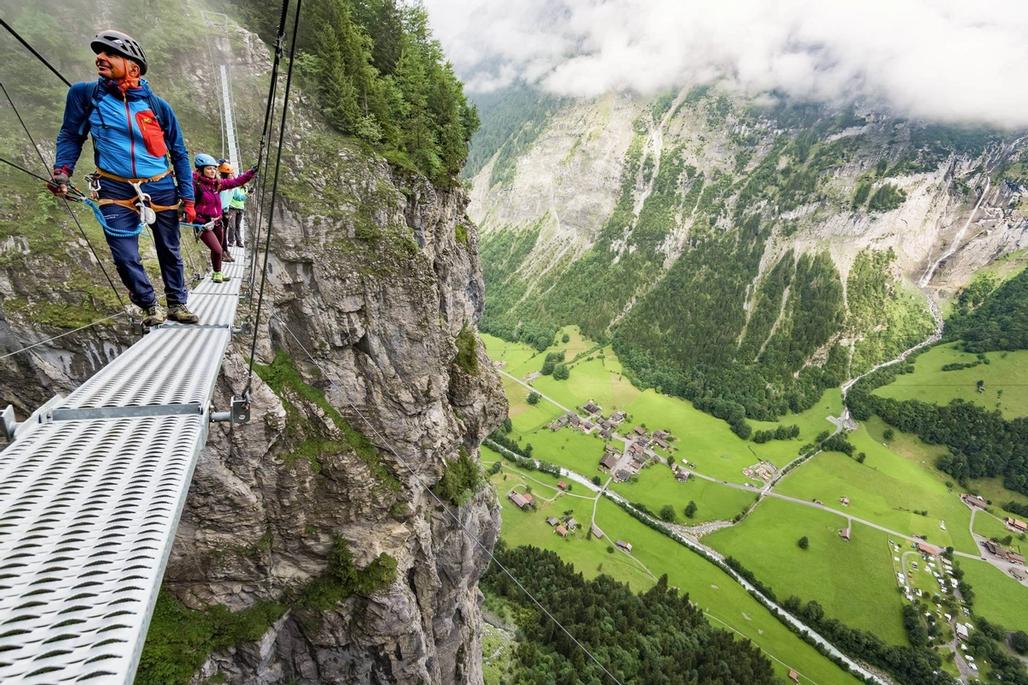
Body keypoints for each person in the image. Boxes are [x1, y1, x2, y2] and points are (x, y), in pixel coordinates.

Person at [50, 30, 198, 326]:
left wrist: (189, 197)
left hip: (161, 184)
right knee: (124, 254)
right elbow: (70, 135)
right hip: (113, 185)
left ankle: (177, 304)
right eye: (100, 53)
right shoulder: (85, 95)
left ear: (133, 65)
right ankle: (148, 305)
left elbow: (179, 153)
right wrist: (62, 171)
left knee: (169, 248)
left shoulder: (159, 107)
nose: (100, 58)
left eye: (110, 54)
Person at [192, 154, 255, 283]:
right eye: (209, 168)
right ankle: (217, 273)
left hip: (217, 221)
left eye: (214, 169)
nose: (212, 171)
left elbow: (236, 182)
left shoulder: (217, 184)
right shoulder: (195, 185)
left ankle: (217, 273)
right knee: (217, 249)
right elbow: (187, 198)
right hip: (202, 223)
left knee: (218, 249)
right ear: (200, 169)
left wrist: (251, 172)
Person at [226, 183, 247, 247]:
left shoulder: (245, 188)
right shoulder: (234, 187)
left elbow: (244, 198)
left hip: (240, 209)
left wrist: (250, 193)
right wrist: (248, 194)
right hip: (232, 208)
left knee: (237, 226)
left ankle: (239, 241)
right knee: (232, 225)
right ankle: (231, 241)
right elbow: (238, 197)